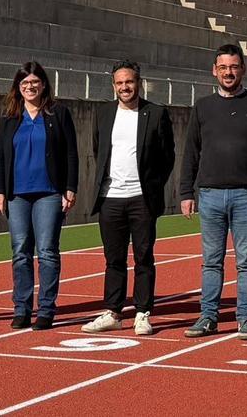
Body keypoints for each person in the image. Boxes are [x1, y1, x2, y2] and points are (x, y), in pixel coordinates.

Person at [178, 44, 247, 341]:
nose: (228, 72)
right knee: (211, 260)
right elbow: (191, 153)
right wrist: (186, 191)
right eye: (223, 67)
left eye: (234, 66)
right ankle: (209, 316)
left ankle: (245, 318)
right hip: (209, 194)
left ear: (243, 70)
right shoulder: (203, 107)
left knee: (246, 261)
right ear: (214, 70)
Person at [82, 61, 176, 336]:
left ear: (139, 82)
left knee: (144, 257)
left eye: (129, 82)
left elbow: (167, 156)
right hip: (110, 197)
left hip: (141, 197)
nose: (125, 87)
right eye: (120, 83)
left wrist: (153, 185)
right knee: (113, 259)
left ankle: (142, 312)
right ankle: (113, 311)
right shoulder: (103, 114)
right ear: (114, 86)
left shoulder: (155, 113)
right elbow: (99, 150)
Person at [0, 61, 78, 331]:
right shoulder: (9, 117)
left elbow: (71, 153)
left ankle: (47, 309)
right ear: (18, 87)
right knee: (20, 252)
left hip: (50, 193)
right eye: (25, 83)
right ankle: (22, 308)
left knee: (48, 251)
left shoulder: (58, 113)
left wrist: (70, 187)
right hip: (17, 194)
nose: (30, 87)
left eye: (34, 82)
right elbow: (0, 157)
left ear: (43, 84)